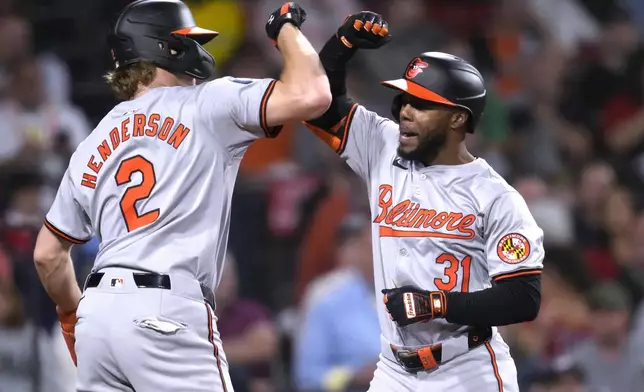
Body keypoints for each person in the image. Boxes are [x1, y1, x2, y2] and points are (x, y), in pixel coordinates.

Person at [31, 1, 330, 391]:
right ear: (165, 48)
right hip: (165, 309)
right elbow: (312, 95)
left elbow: (47, 255)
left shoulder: (93, 140)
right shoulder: (207, 102)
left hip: (99, 314)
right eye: (186, 41)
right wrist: (285, 28)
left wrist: (75, 317)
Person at [303, 11, 545, 391]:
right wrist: (341, 46)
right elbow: (318, 105)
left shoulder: (495, 197)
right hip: (393, 370)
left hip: (467, 369)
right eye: (405, 101)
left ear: (457, 120)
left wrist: (437, 304)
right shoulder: (383, 146)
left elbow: (522, 298)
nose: (406, 112)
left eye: (422, 104)